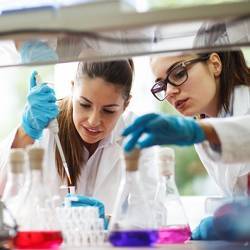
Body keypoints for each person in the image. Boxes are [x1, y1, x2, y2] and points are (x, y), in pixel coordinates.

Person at [0, 59, 158, 220]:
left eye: (108, 110)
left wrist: (107, 222)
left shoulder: (137, 137)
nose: (93, 121)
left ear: (126, 104)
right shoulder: (45, 126)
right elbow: (4, 198)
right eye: (84, 104)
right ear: (72, 88)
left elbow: (152, 215)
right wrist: (25, 133)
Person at [122, 21, 250, 198]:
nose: (169, 92)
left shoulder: (240, 108)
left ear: (215, 64)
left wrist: (201, 132)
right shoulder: (203, 128)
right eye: (161, 85)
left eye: (179, 73)